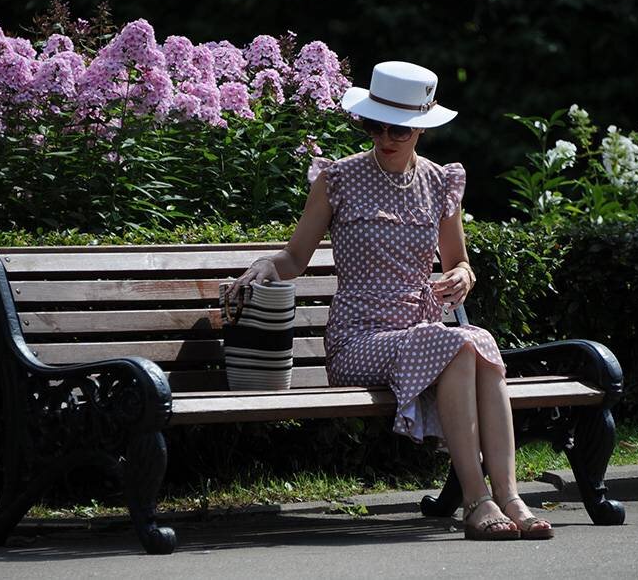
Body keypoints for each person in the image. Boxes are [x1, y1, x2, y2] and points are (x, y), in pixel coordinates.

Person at [225, 61, 552, 541]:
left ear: (421, 124)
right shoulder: (337, 178)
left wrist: (461, 277)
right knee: (457, 345)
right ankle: (476, 499)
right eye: (374, 124)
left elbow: (459, 262)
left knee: (475, 340)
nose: (384, 136)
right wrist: (264, 267)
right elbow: (295, 257)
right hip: (358, 341)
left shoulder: (442, 182)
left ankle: (509, 496)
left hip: (422, 335)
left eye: (397, 127)